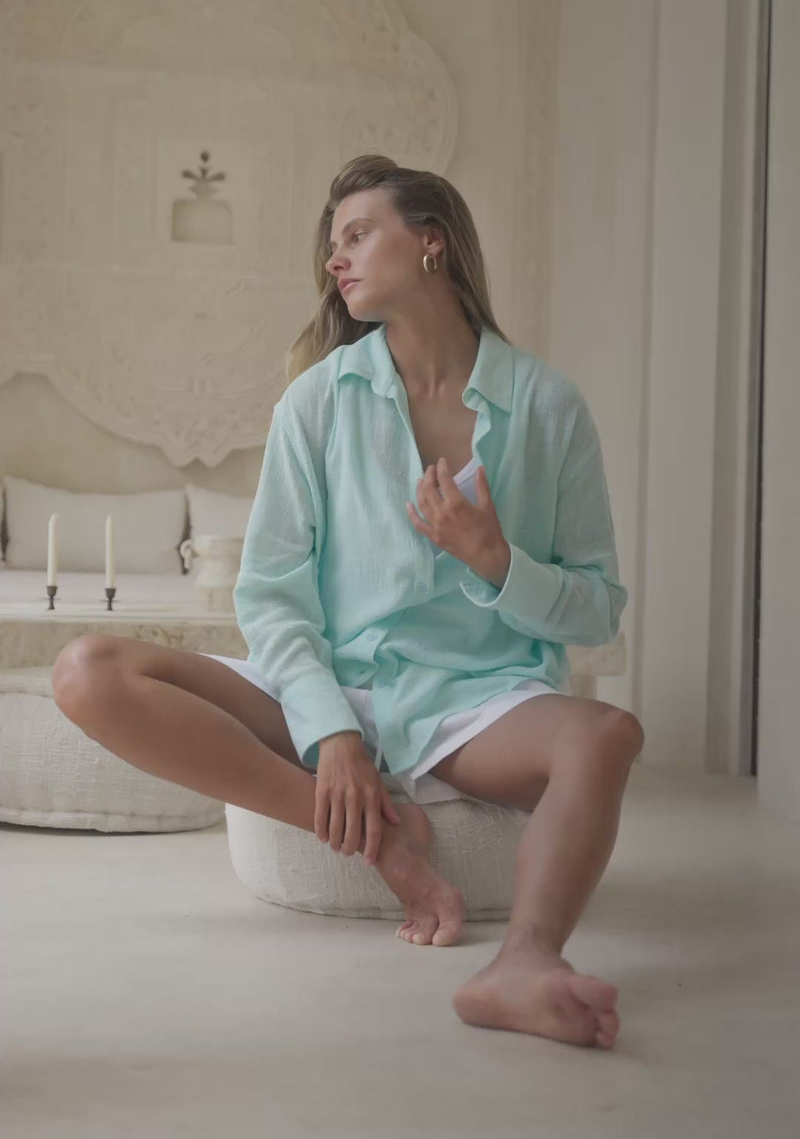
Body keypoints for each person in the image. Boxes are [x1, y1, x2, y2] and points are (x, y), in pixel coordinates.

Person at [53, 153, 643, 1050]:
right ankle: (387, 846)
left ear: (432, 243)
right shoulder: (316, 404)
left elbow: (598, 611)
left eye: (359, 234)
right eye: (333, 244)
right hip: (328, 685)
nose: (337, 258)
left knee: (608, 735)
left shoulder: (550, 407)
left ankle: (524, 962)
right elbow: (275, 597)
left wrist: (495, 560)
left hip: (476, 704)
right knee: (87, 671)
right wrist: (330, 731)